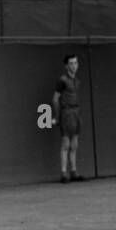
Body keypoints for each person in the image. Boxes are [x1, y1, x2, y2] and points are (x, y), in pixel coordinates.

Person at [52, 54, 85, 183]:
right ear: (66, 66)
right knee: (66, 144)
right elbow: (55, 99)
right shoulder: (62, 80)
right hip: (66, 113)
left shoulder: (77, 81)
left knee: (75, 144)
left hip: (76, 113)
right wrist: (57, 115)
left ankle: (74, 172)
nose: (74, 65)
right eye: (71, 63)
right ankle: (64, 174)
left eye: (75, 63)